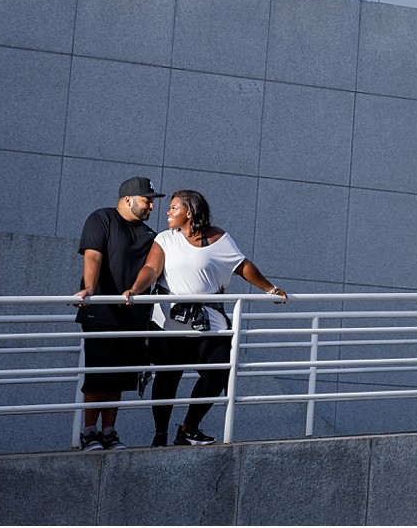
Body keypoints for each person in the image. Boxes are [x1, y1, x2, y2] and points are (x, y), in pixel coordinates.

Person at [124, 189, 287, 446]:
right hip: (169, 321)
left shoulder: (218, 238)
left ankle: (188, 428)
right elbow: (151, 269)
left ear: (190, 212)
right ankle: (160, 435)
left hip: (208, 320)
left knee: (218, 370)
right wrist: (135, 289)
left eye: (174, 208)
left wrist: (270, 289)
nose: (167, 212)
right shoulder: (166, 239)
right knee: (168, 378)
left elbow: (242, 266)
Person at [71, 175, 164, 451]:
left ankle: (109, 432)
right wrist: (89, 288)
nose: (151, 206)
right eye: (147, 200)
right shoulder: (102, 219)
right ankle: (89, 432)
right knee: (99, 374)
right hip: (99, 312)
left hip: (133, 315)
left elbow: (153, 269)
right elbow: (94, 255)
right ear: (128, 199)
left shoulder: (150, 235)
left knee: (120, 377)